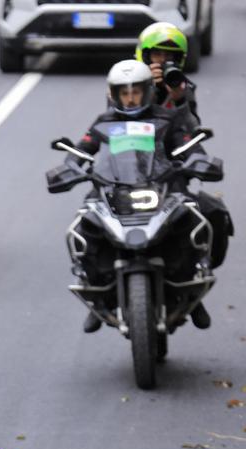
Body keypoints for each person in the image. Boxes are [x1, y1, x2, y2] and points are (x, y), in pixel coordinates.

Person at [74, 60, 207, 332]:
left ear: (147, 90)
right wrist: (68, 166)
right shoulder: (104, 123)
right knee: (84, 224)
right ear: (114, 94)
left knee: (201, 216)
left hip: (162, 187)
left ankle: (194, 294)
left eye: (136, 91)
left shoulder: (166, 120)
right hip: (113, 189)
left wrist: (200, 161)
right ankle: (97, 295)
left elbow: (188, 145)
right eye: (125, 93)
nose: (131, 98)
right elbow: (82, 148)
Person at [135, 24, 232, 273]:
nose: (164, 61)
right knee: (89, 214)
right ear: (145, 56)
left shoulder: (182, 89)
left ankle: (195, 278)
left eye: (171, 57)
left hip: (170, 171)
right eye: (158, 55)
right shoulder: (127, 86)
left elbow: (192, 129)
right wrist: (149, 90)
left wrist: (178, 98)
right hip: (128, 168)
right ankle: (93, 281)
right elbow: (116, 122)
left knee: (212, 213)